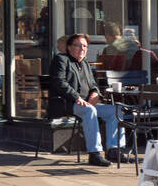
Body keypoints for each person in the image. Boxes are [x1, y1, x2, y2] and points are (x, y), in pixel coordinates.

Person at [48, 33, 126, 167]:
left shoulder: (84, 63)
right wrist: (77, 97)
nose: (82, 49)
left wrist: (95, 93)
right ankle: (94, 154)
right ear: (69, 47)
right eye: (78, 45)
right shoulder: (61, 59)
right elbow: (59, 82)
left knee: (116, 110)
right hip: (67, 103)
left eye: (84, 46)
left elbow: (93, 85)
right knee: (90, 111)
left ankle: (114, 150)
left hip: (86, 104)